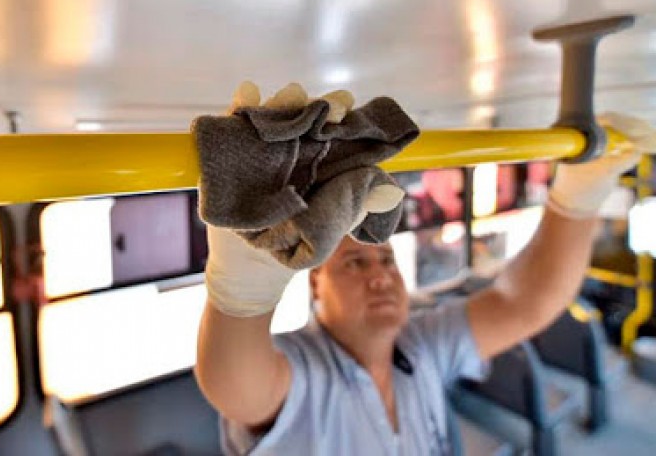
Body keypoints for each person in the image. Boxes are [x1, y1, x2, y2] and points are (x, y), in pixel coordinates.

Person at [194, 89, 656, 454]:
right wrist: (244, 294)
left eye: (387, 261)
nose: (379, 276)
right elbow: (236, 388)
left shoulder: (421, 347)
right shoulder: (304, 368)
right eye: (355, 262)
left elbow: (526, 303)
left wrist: (578, 197)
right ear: (316, 281)